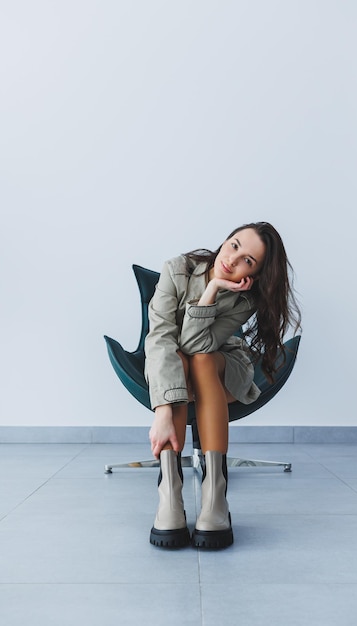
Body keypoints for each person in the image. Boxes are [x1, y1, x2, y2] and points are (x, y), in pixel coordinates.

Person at [144, 222, 301, 549]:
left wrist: (214, 288)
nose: (233, 259)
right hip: (174, 367)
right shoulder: (177, 270)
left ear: (255, 275)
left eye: (248, 260)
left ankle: (214, 500)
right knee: (179, 361)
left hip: (223, 366)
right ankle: (170, 499)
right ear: (225, 240)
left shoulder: (244, 300)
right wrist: (162, 412)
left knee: (198, 360)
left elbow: (196, 343)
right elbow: (160, 338)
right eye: (234, 245)